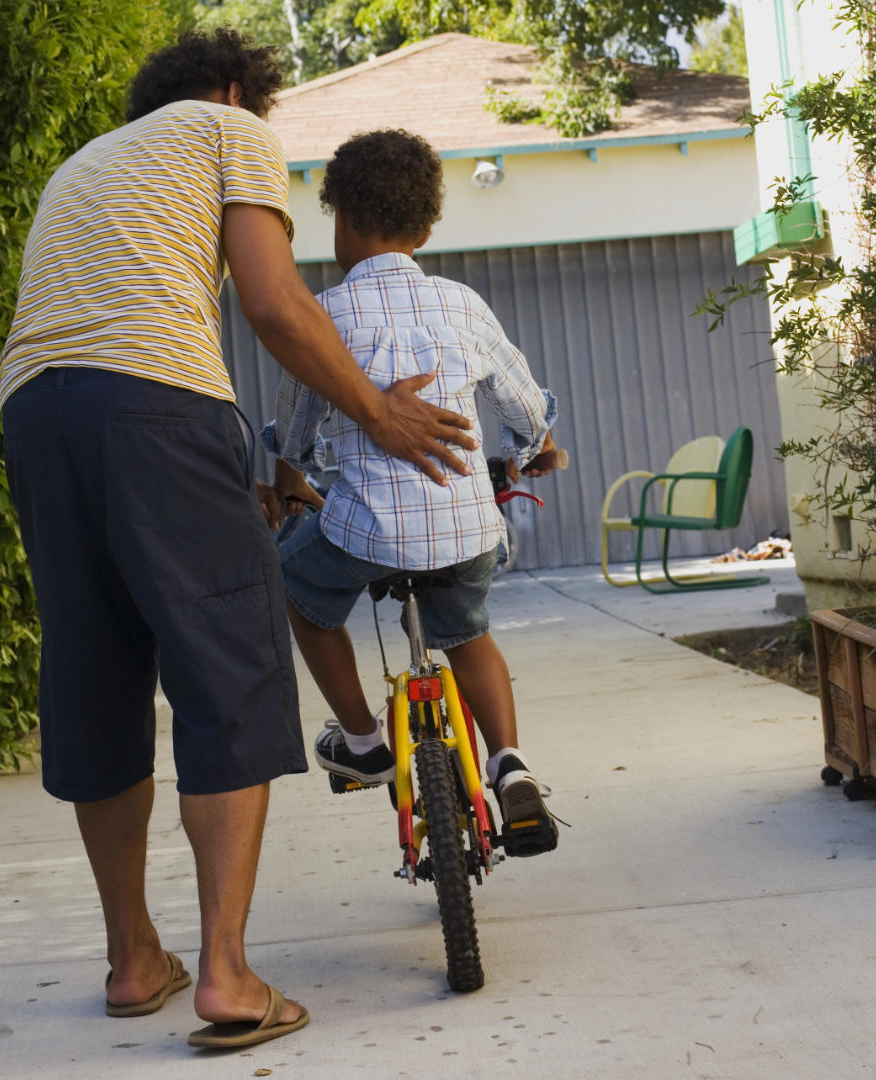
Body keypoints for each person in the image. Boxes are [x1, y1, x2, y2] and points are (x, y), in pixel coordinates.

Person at [0, 32, 478, 1050]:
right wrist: (378, 414)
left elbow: (104, 345)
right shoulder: (225, 129)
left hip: (36, 417)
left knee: (96, 672)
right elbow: (273, 302)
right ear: (229, 91)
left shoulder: (82, 167)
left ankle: (134, 959)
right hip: (157, 404)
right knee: (232, 670)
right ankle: (226, 976)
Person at [263, 128, 564, 857]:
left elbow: (299, 427)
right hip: (464, 533)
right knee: (468, 630)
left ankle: (365, 740)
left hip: (361, 533)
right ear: (427, 228)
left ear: (337, 218)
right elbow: (522, 402)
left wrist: (290, 475)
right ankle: (509, 764)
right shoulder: (463, 305)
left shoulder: (325, 314)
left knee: (296, 588)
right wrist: (534, 448)